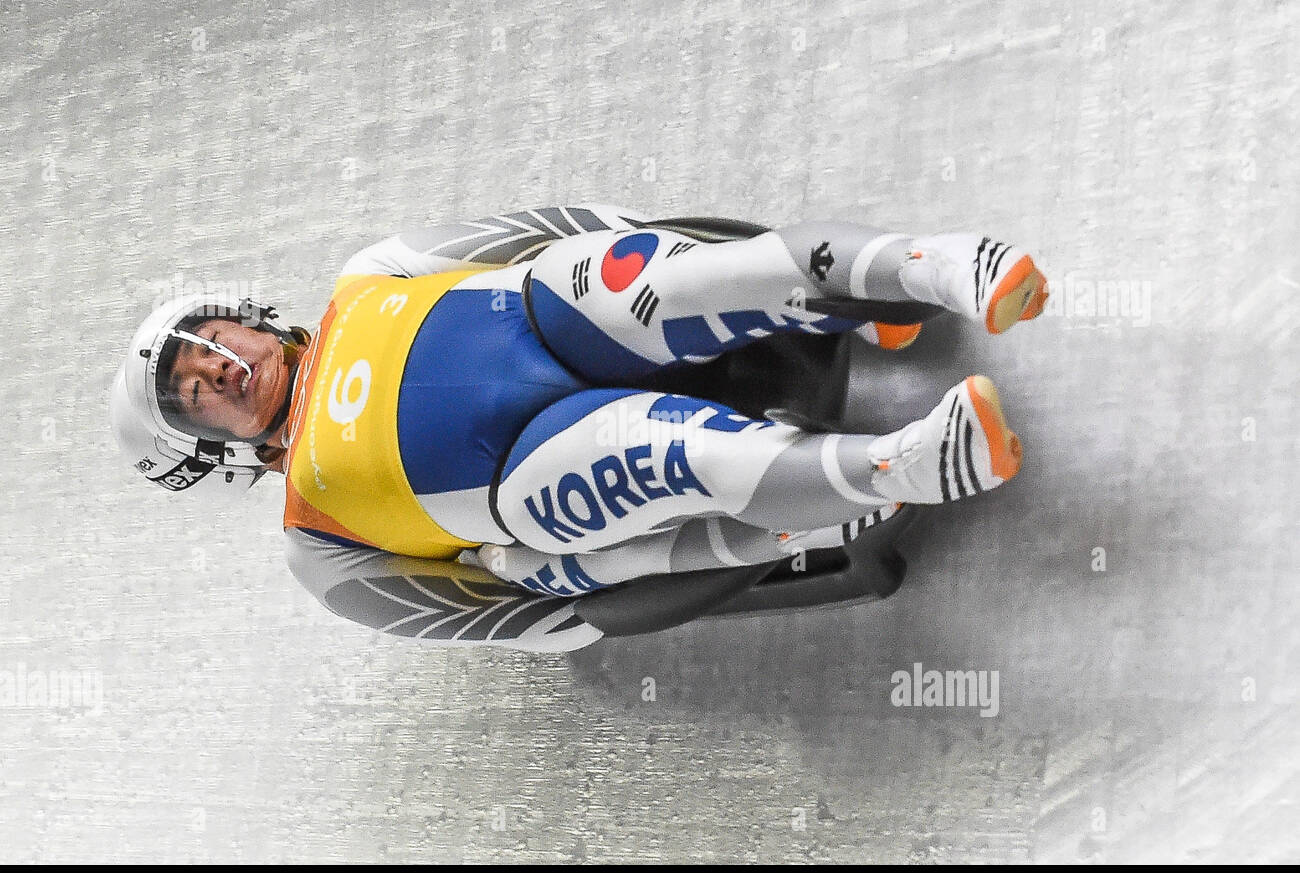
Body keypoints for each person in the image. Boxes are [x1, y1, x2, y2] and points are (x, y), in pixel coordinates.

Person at [109, 205, 1048, 651]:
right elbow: (489, 617)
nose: (220, 365)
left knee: (686, 282)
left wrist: (637, 235)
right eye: (196, 392)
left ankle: (931, 268)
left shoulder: (368, 273)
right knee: (670, 452)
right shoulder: (316, 546)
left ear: (235, 313)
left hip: (540, 311)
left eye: (207, 341)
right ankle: (898, 466)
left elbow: (524, 231)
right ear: (213, 449)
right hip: (528, 468)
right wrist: (602, 576)